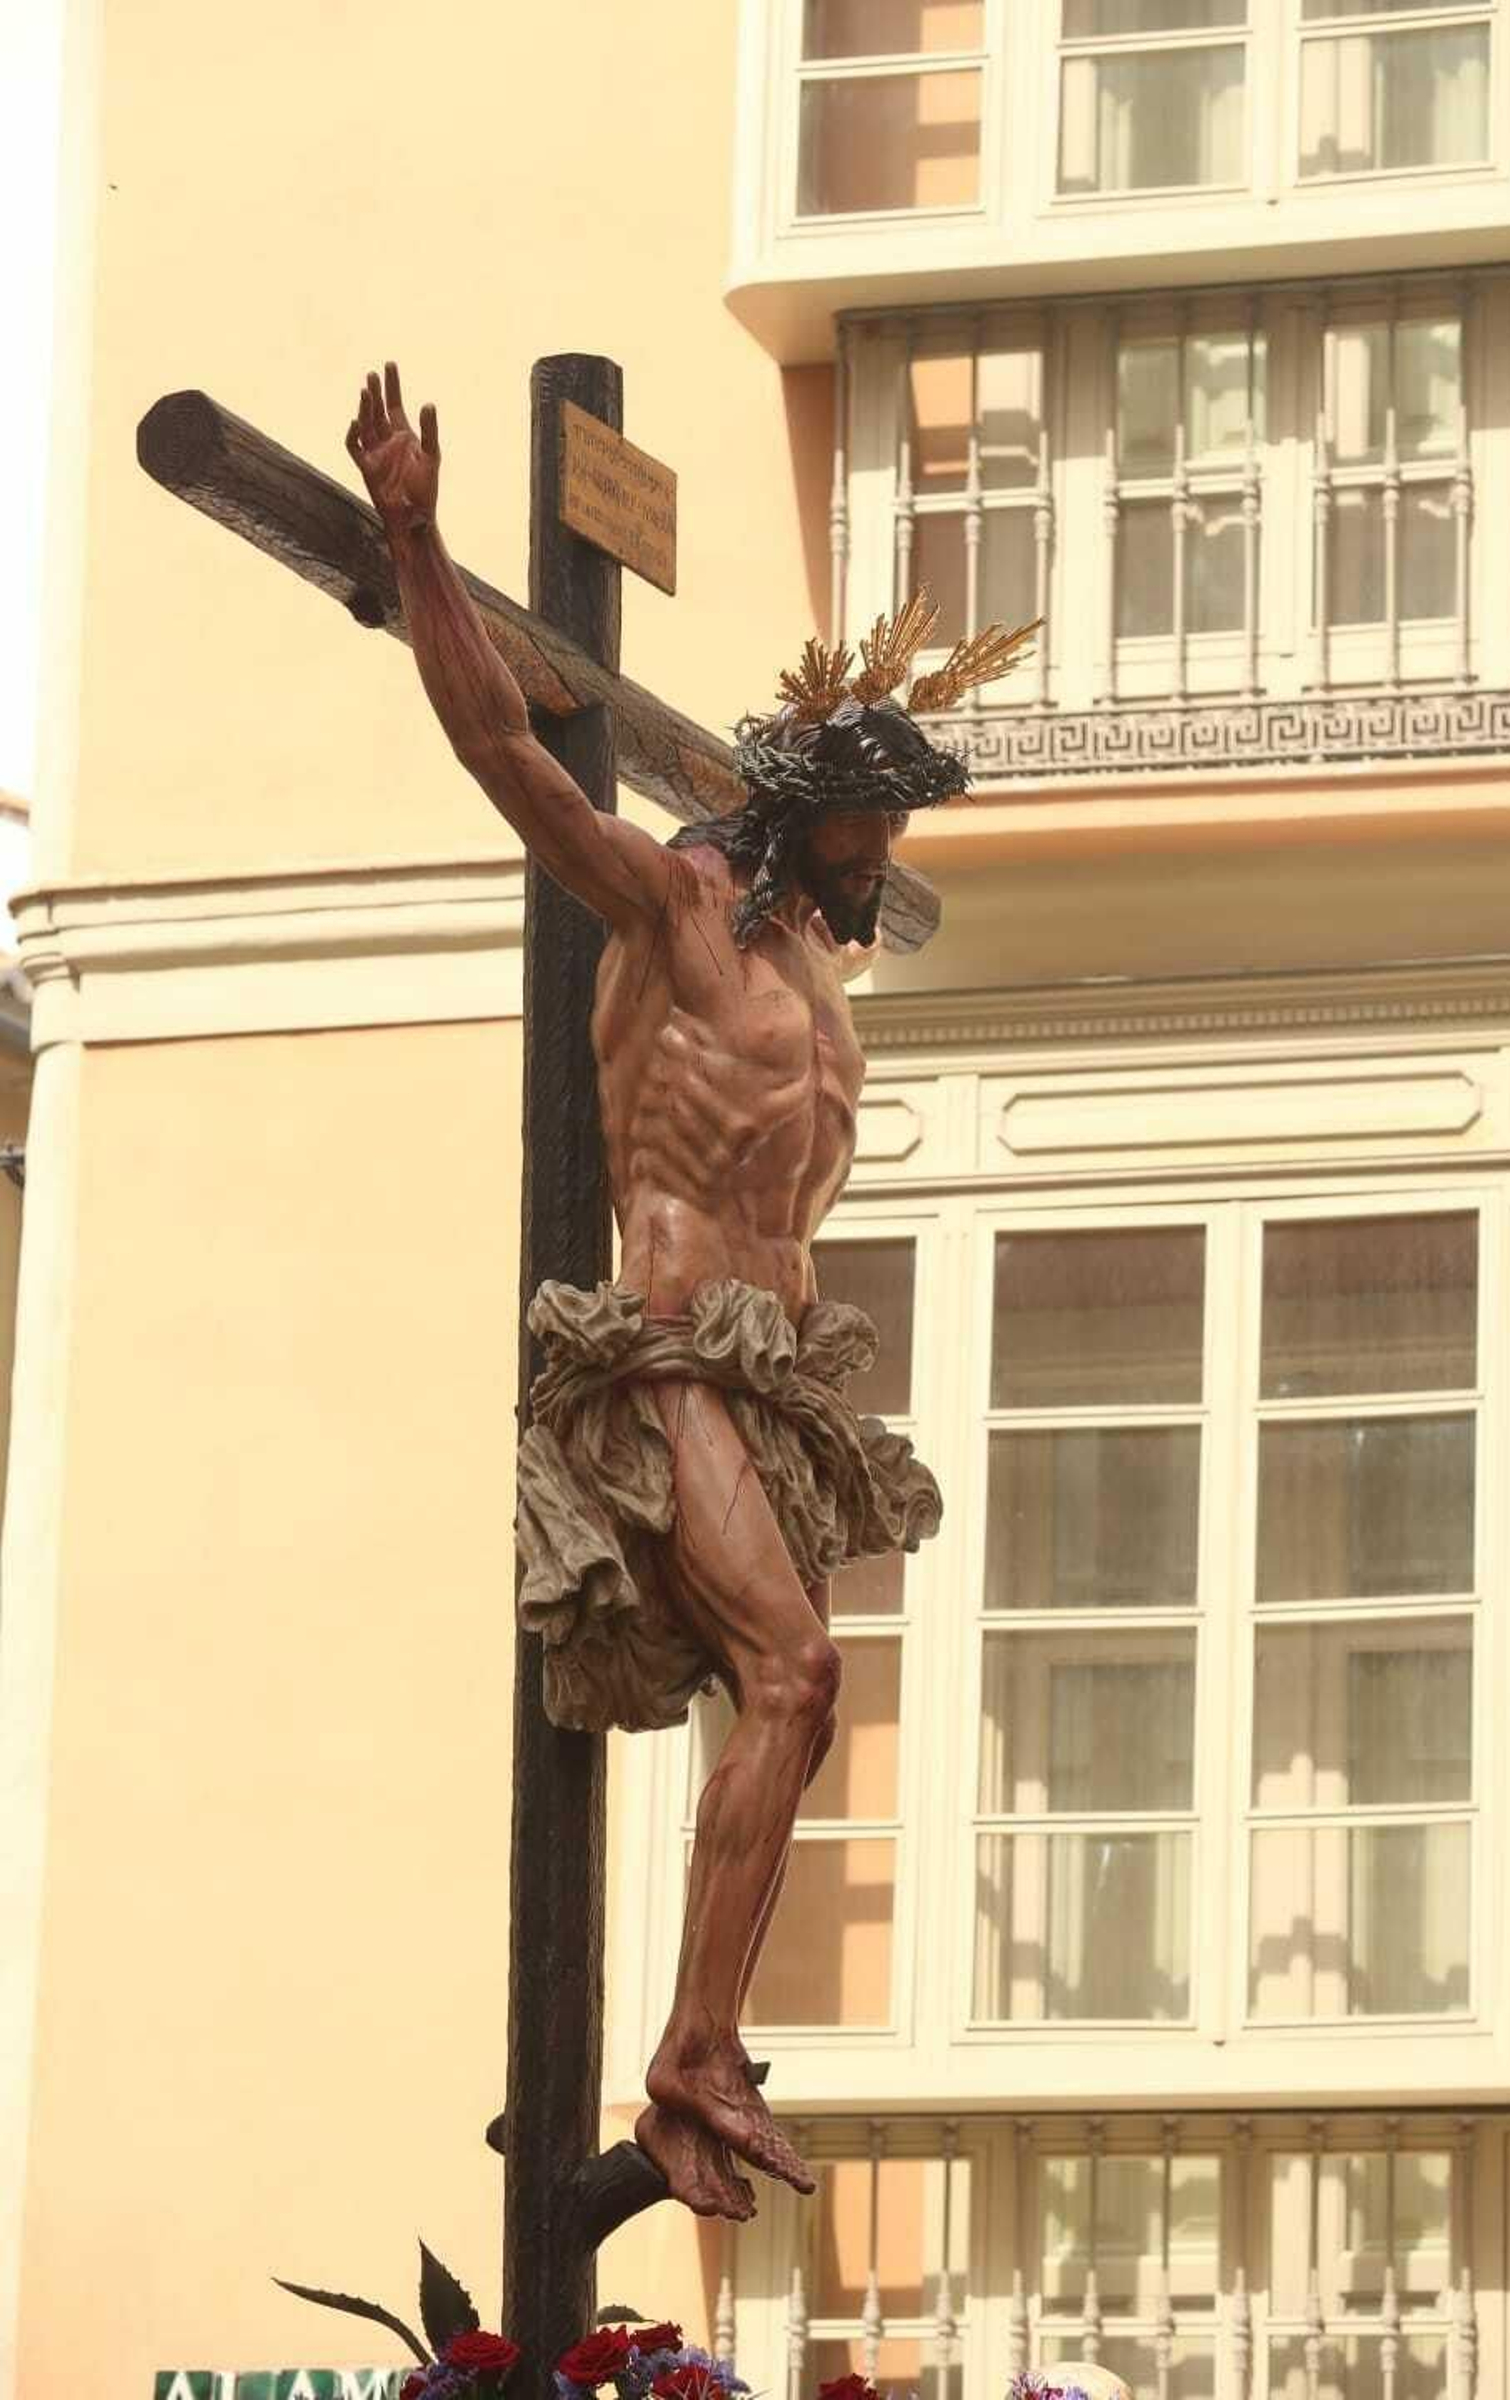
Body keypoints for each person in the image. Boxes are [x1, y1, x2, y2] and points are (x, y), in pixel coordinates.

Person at [347, 363, 1035, 2222]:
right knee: (795, 1671)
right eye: (864, 822)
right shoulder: (665, 907)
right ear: (800, 805)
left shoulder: (821, 966)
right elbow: (507, 752)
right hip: (660, 1349)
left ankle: (693, 2046)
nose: (884, 857)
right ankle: (686, 2055)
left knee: (802, 1698)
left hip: (771, 1366)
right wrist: (414, 533)